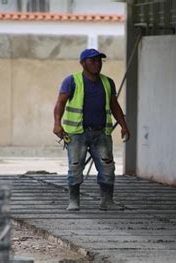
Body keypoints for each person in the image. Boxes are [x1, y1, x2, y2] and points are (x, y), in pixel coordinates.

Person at [53, 48, 130, 211]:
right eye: (92, 61)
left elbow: (114, 105)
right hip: (76, 133)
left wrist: (123, 125)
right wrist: (57, 124)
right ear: (82, 63)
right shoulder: (72, 81)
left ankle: (107, 201)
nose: (97, 64)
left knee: (107, 167)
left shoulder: (108, 82)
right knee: (75, 166)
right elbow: (60, 103)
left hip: (101, 132)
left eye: (99, 61)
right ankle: (74, 201)